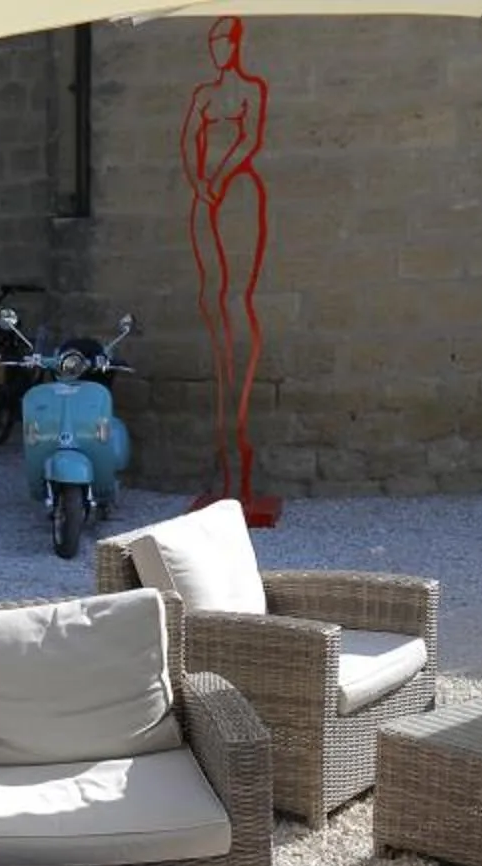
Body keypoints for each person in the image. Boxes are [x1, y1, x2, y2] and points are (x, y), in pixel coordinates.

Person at [181, 16, 268, 507]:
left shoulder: (251, 90)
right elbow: (188, 143)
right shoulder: (202, 97)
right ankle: (224, 448)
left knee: (240, 303)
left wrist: (220, 175)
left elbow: (249, 140)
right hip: (208, 199)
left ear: (236, 45)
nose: (218, 50)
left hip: (238, 194)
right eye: (213, 42)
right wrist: (201, 184)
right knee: (211, 306)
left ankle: (242, 445)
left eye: (224, 41)